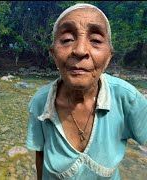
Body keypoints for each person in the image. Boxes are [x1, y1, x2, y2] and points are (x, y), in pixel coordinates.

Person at [26, 3, 147, 179]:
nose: (80, 50)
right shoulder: (40, 103)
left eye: (96, 40)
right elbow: (40, 154)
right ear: (53, 54)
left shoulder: (127, 98)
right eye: (67, 39)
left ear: (108, 57)